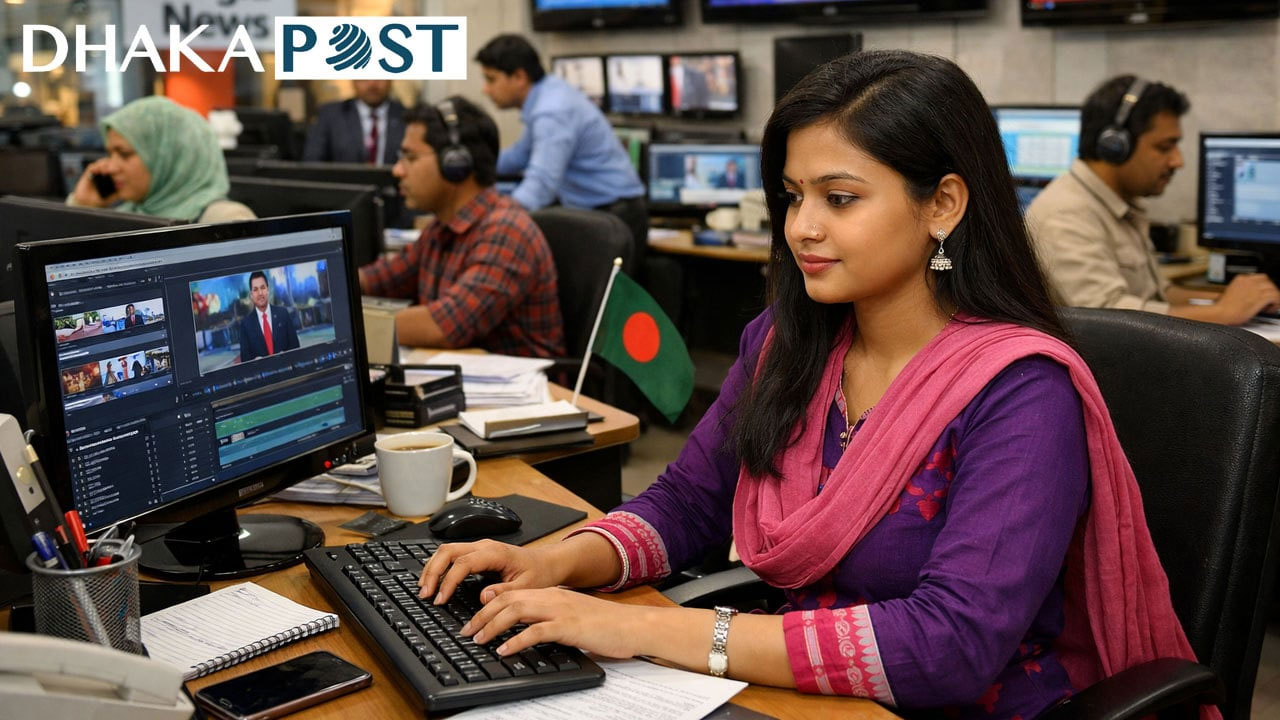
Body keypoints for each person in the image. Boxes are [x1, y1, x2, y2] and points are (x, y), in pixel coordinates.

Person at [415, 51, 1210, 719]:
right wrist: (558, 563)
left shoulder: (1020, 392)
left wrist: (647, 631)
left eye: (840, 198)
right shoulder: (787, 344)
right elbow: (688, 503)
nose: (802, 227)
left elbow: (951, 647)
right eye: (794, 197)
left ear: (943, 204)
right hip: (802, 690)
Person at [1028, 75, 1280, 324]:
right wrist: (1223, 312)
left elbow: (1160, 295)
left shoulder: (1119, 205)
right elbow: (1108, 319)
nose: (1178, 161)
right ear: (1115, 146)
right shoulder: (1066, 215)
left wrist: (1239, 301)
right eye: (1164, 147)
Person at [359, 96, 564, 358]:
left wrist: (343, 326)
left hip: (523, 384)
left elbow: (444, 326)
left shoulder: (506, 230)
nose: (398, 170)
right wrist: (325, 288)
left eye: (410, 157)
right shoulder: (441, 228)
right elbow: (381, 278)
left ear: (455, 164)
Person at [474, 35, 648, 258]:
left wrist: (490, 217)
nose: (485, 89)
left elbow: (541, 185)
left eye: (491, 80)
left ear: (519, 77)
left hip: (614, 217)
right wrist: (473, 165)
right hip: (600, 211)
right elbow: (519, 156)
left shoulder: (552, 112)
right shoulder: (547, 95)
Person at [69, 96, 255, 223]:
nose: (110, 167)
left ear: (168, 157)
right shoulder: (131, 214)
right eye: (110, 154)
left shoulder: (226, 219)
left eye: (124, 154)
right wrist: (83, 207)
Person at [303, 80, 406, 166]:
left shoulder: (405, 116)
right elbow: (312, 162)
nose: (373, 84)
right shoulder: (330, 115)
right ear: (353, 81)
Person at [239, 271, 300, 363]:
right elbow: (245, 359)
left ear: (268, 290)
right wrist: (255, 362)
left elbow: (295, 347)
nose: (260, 293)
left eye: (262, 288)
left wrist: (287, 356)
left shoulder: (283, 314)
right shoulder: (246, 324)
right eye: (255, 290)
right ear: (251, 295)